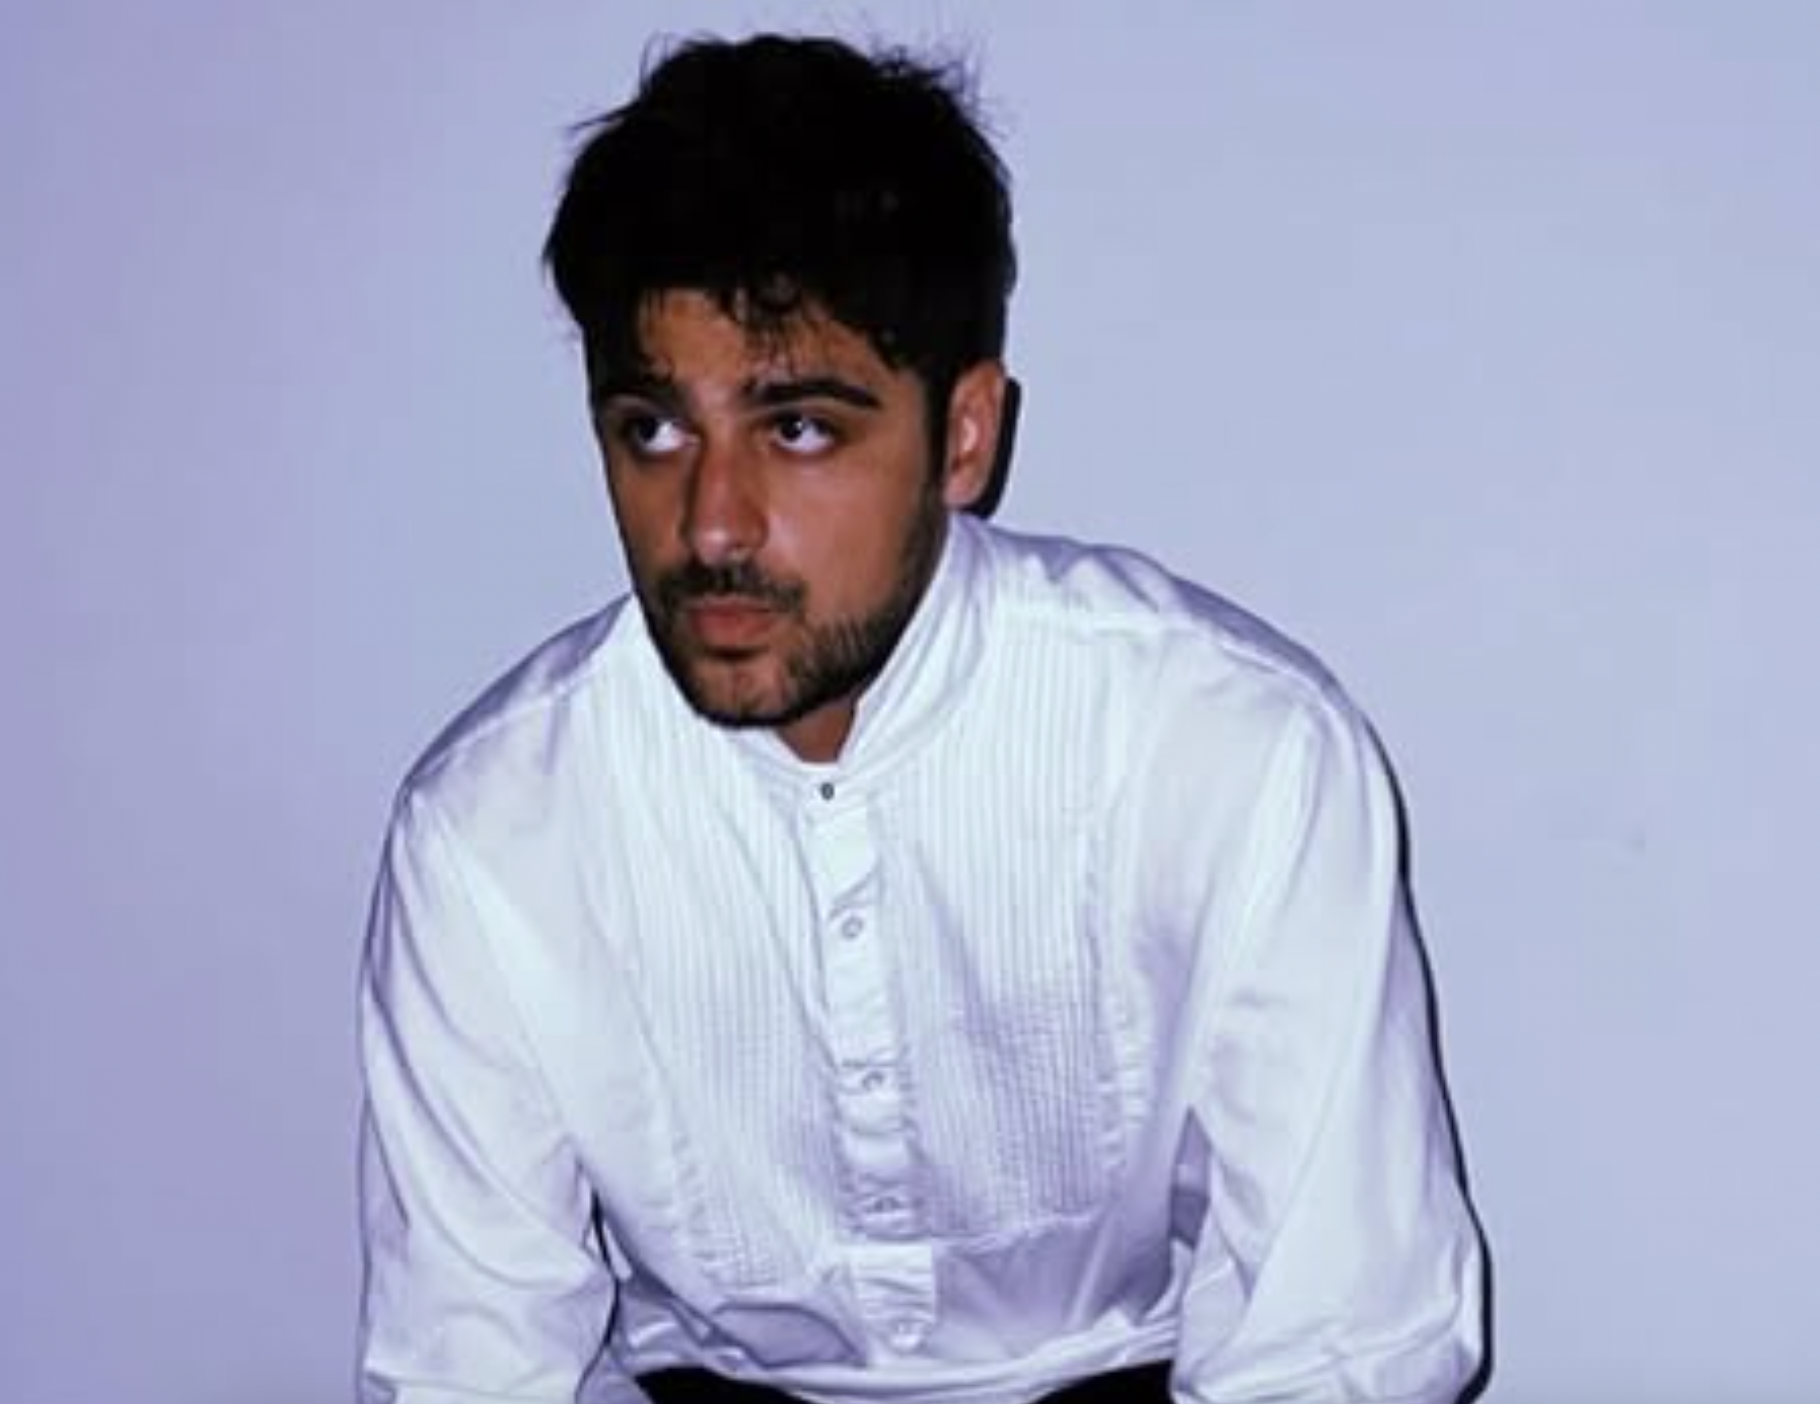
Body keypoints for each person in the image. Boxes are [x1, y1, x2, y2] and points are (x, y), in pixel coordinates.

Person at [355, 32, 1487, 1404]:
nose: (710, 521)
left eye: (800, 430)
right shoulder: (491, 833)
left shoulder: (1228, 752)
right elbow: (470, 1371)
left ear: (964, 436)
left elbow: (1343, 1344)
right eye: (653, 429)